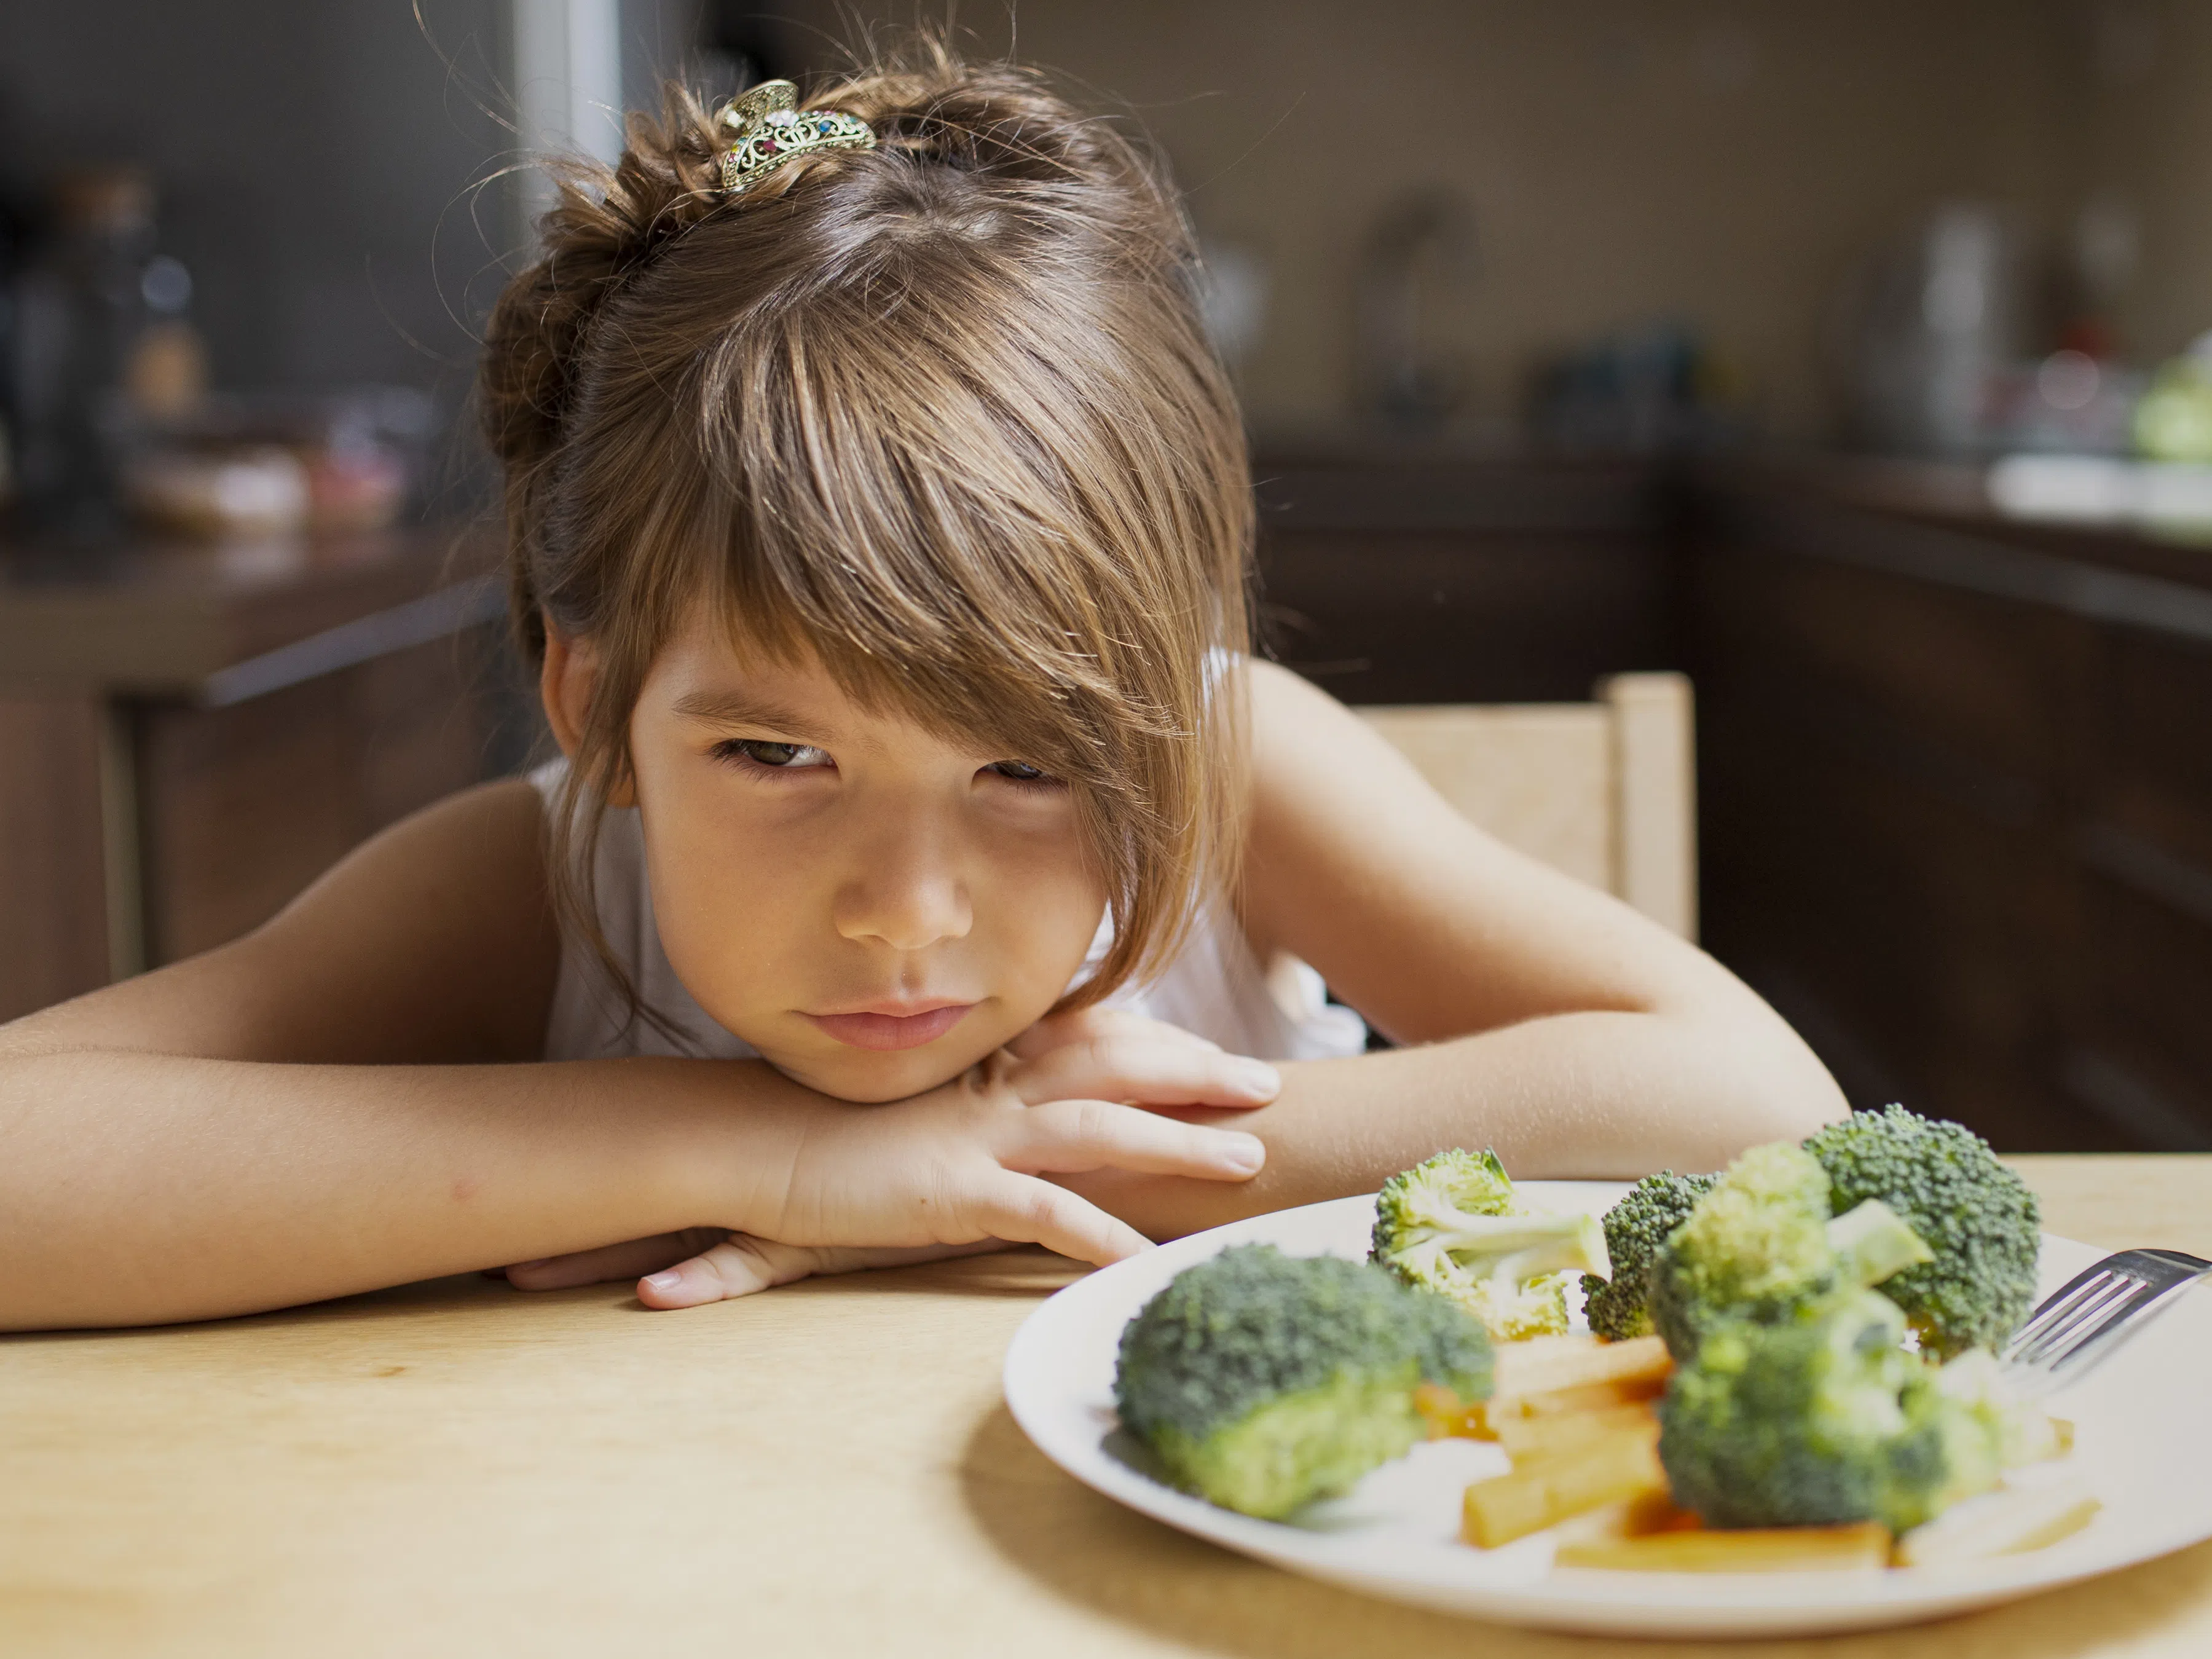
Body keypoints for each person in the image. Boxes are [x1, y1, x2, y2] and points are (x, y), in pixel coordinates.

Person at [0, 48, 1845, 1332]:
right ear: (591, 704)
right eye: (778, 751)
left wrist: (1103, 1163)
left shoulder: (1239, 764)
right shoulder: (529, 891)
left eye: (1032, 766)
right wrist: (773, 1151)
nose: (905, 912)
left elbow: (1760, 1099)